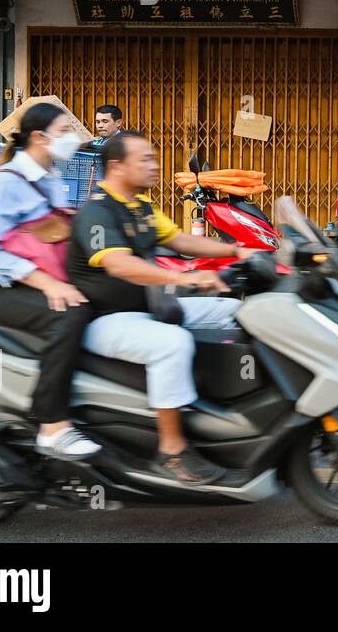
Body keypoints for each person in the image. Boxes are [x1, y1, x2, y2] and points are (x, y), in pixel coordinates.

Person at [68, 132, 258, 484]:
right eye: (145, 160)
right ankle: (171, 451)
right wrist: (188, 281)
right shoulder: (97, 212)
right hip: (105, 319)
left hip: (146, 309)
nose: (155, 166)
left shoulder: (139, 208)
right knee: (172, 344)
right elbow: (119, 265)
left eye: (153, 158)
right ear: (117, 166)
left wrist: (238, 251)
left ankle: (233, 404)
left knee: (236, 312)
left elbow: (180, 239)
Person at [0, 102, 102, 459]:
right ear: (40, 137)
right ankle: (53, 425)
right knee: (70, 315)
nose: (72, 138)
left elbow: (52, 235)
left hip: (29, 281)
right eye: (65, 131)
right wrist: (49, 284)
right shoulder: (7, 180)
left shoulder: (50, 176)